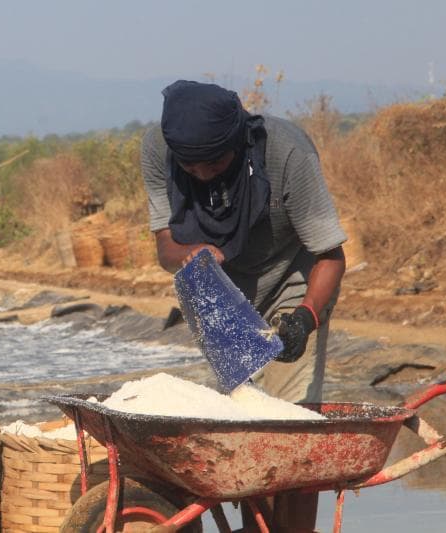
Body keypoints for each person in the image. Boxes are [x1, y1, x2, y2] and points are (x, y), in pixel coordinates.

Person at [141, 80, 346, 530]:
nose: (201, 175)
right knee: (245, 423)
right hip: (215, 293)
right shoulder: (159, 148)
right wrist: (188, 255)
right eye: (189, 167)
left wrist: (306, 317)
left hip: (293, 283)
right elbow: (165, 248)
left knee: (291, 432)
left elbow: (330, 256)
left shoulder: (287, 153)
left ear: (237, 140)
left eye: (214, 162)